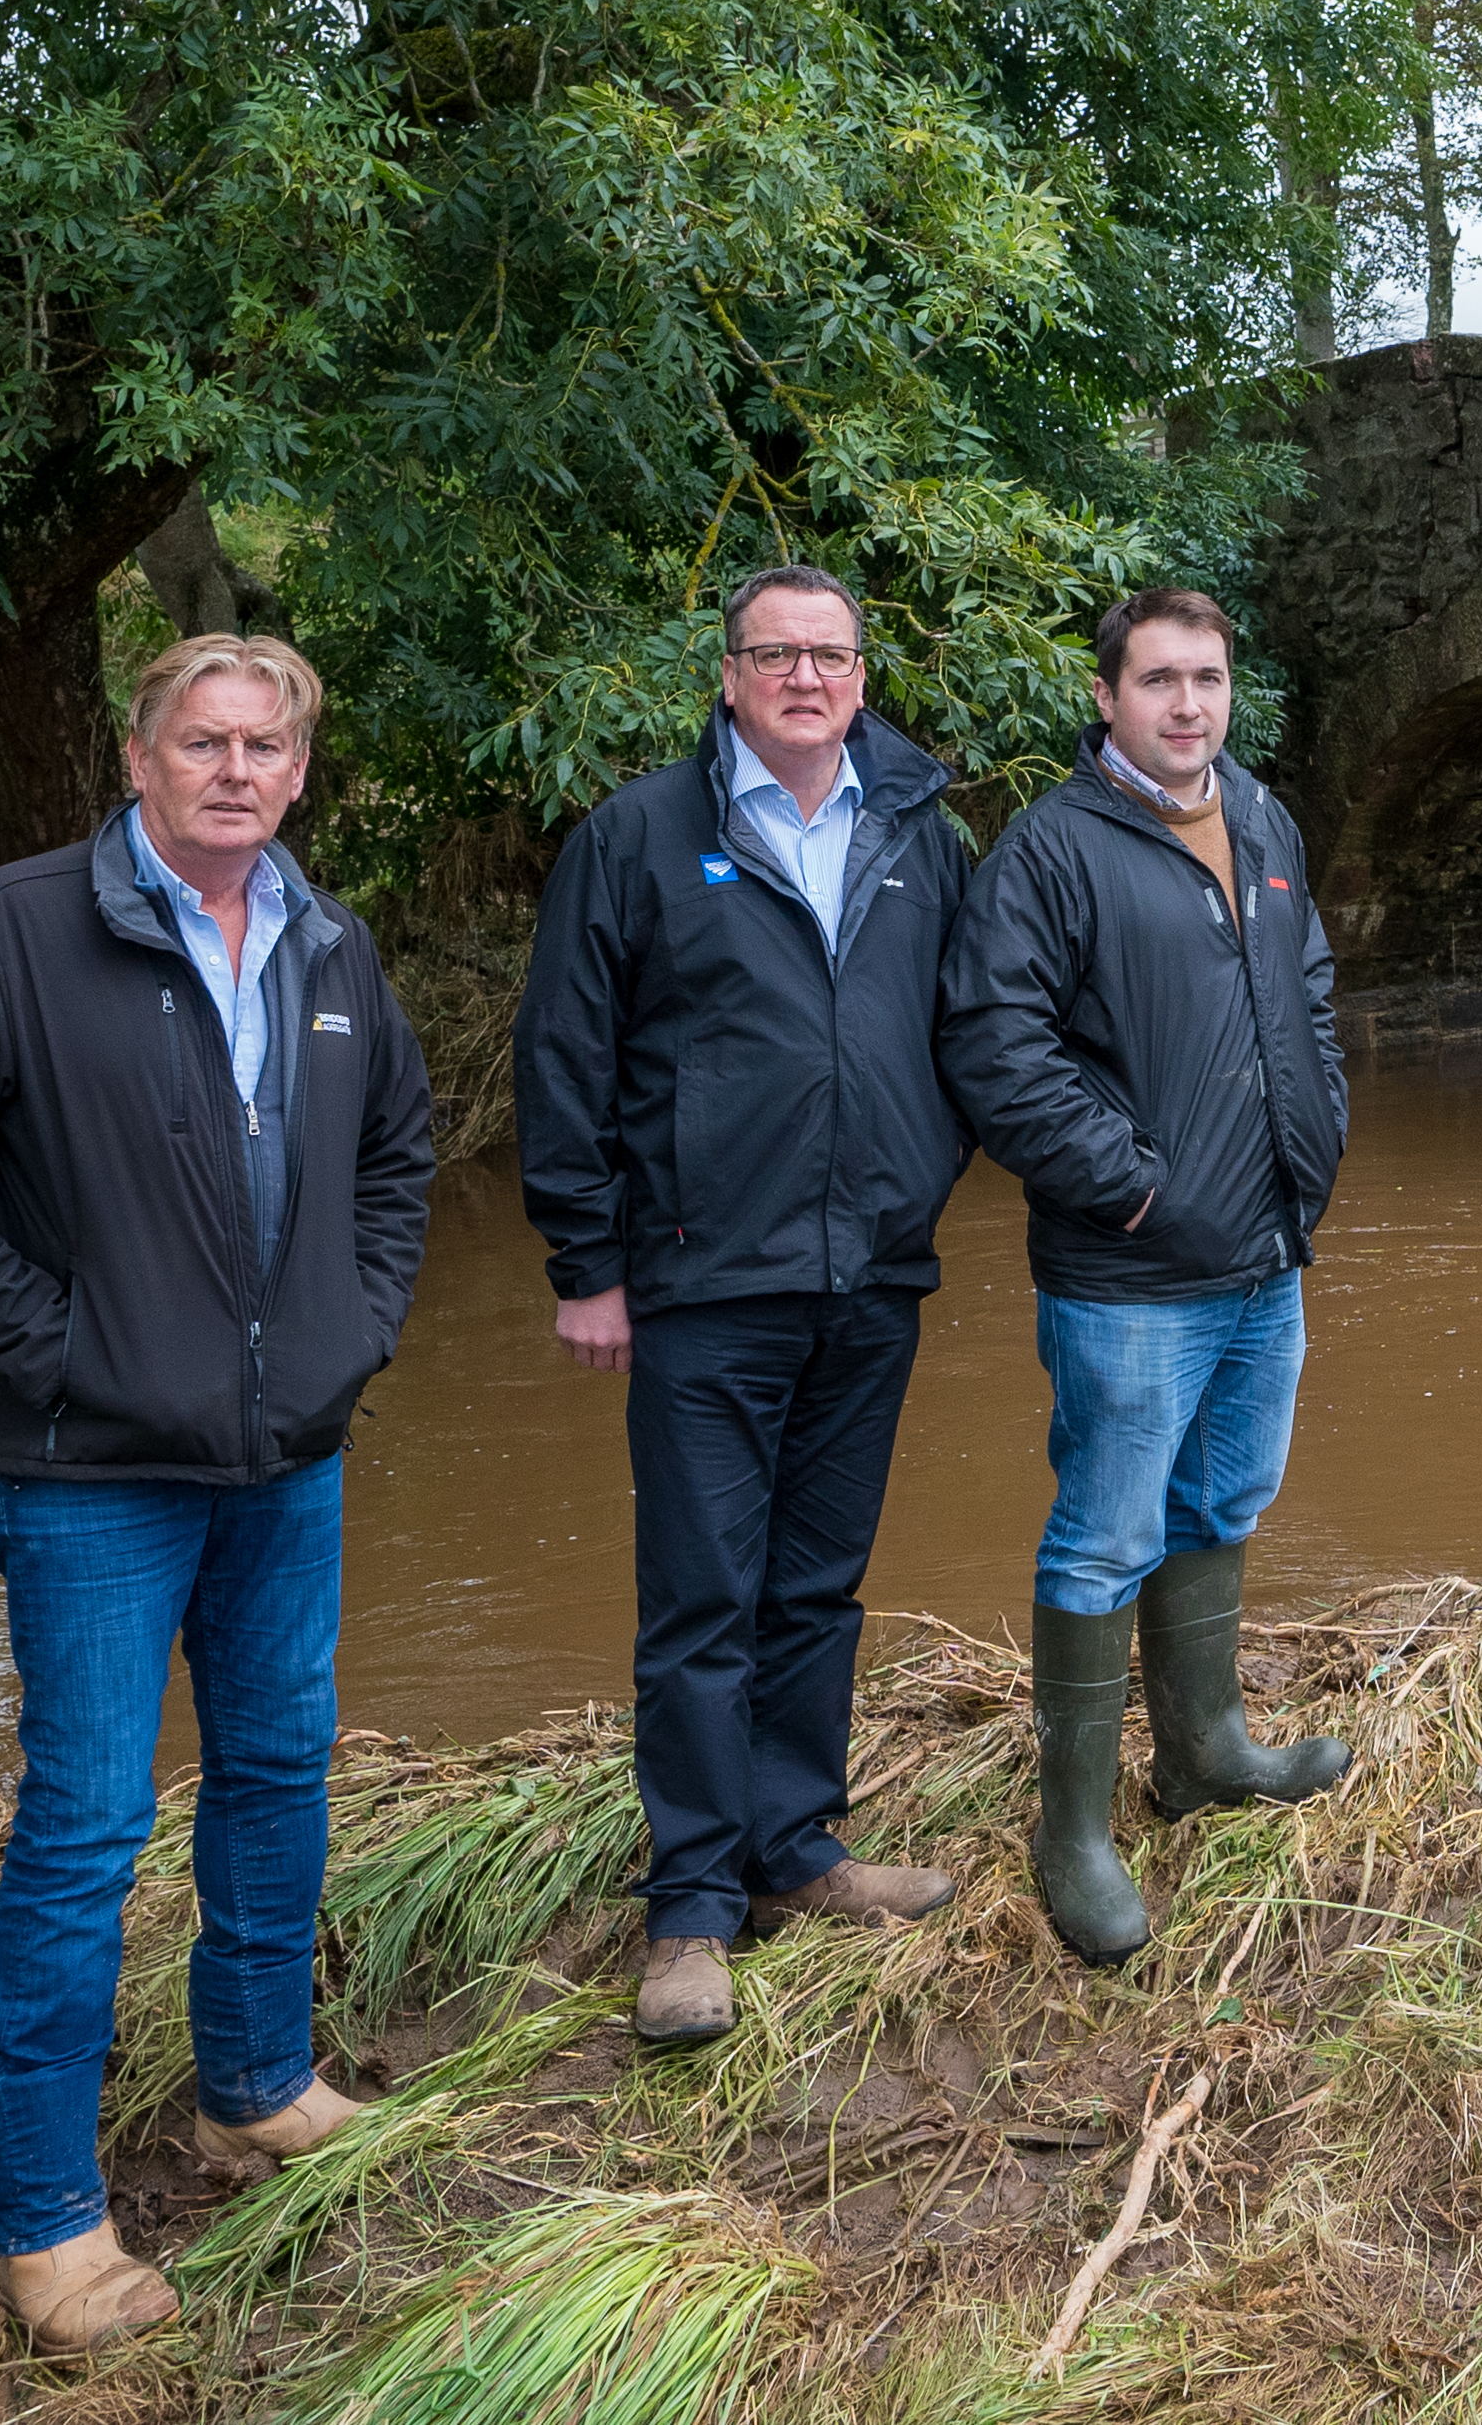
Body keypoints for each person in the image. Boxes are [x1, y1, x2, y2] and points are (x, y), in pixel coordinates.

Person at [0, 635, 434, 2353]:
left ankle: (253, 2081)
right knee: (88, 1824)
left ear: (301, 771)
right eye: (202, 742)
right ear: (137, 755)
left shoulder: (332, 943)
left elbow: (396, 1153)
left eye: (265, 745)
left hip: (287, 1460)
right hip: (94, 1472)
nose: (235, 770)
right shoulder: (10, 933)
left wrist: (350, 1325)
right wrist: (69, 1352)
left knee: (275, 1770)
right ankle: (45, 2217)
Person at [515, 561, 975, 2047]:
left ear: (862, 676)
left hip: (870, 1275)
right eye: (771, 653)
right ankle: (693, 1908)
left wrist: (918, 1187)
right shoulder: (641, 837)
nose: (802, 676)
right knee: (703, 1600)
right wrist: (588, 1263)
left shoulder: (920, 832)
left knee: (817, 1585)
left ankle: (799, 1852)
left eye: (827, 654)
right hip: (703, 1281)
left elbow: (965, 1037)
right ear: (727, 676)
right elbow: (565, 1060)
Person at [936, 586, 1354, 1963]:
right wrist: (1126, 1181)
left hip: (1265, 1249)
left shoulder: (1264, 818)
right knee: (1106, 1533)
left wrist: (1319, 1133)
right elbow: (997, 1048)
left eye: (1211, 678)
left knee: (1225, 1495)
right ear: (1108, 697)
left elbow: (1306, 994)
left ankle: (1205, 1753)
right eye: (1162, 681)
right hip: (1129, 1273)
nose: (1190, 705)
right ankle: (1075, 1831)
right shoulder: (1052, 851)